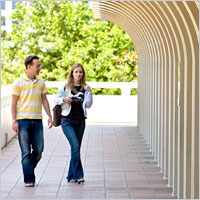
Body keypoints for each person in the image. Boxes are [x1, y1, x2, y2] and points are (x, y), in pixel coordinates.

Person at [11, 55, 53, 187]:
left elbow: (44, 100)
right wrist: (14, 121)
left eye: (40, 65)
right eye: (38, 66)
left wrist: (50, 116)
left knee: (39, 149)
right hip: (23, 121)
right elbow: (13, 103)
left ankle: (28, 168)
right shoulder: (18, 82)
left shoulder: (41, 82)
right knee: (25, 151)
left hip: (37, 120)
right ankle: (29, 179)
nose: (40, 68)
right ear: (29, 67)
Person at [54, 63, 93, 184]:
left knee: (75, 148)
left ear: (83, 74)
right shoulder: (66, 86)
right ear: (72, 73)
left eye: (80, 72)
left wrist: (90, 92)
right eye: (76, 72)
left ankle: (70, 175)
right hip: (67, 121)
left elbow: (88, 105)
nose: (78, 74)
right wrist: (63, 99)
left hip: (80, 121)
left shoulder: (86, 87)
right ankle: (78, 175)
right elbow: (56, 99)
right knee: (75, 147)